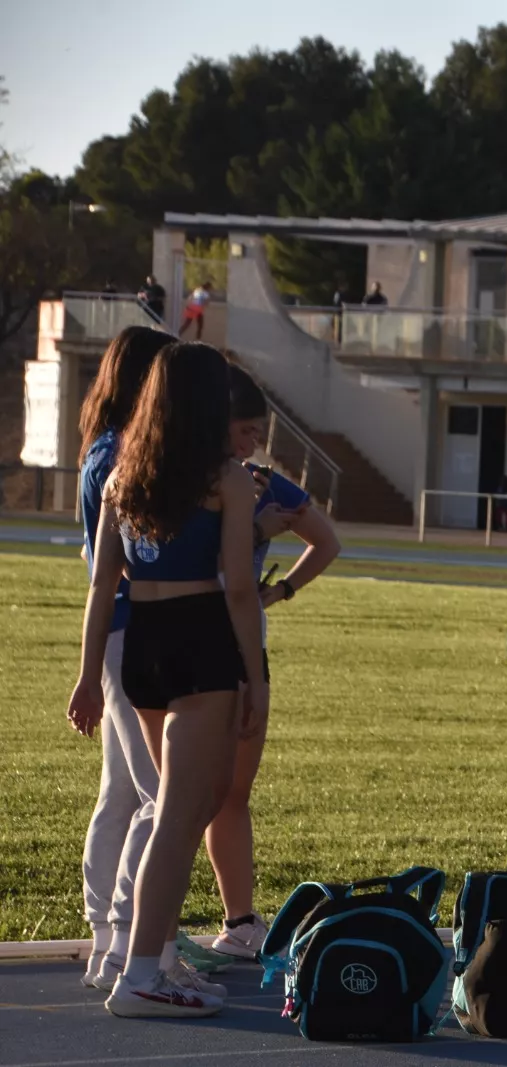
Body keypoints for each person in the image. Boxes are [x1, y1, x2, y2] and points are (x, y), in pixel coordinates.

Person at [68, 341, 265, 1018]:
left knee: (194, 800)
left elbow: (101, 585)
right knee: (180, 813)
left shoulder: (125, 475)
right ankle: (142, 970)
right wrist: (256, 674)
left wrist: (90, 674)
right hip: (200, 637)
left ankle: (152, 956)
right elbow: (239, 588)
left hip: (143, 644)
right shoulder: (227, 479)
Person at [200, 366, 342, 962]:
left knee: (233, 790)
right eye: (241, 431)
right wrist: (252, 530)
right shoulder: (187, 480)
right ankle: (142, 932)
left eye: (258, 433)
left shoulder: (261, 482)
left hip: (239, 637)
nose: (250, 445)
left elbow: (327, 541)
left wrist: (279, 591)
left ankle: (238, 919)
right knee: (178, 795)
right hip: (194, 639)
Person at [74, 325, 175, 992]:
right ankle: (130, 945)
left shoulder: (101, 450)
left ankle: (105, 938)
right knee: (156, 796)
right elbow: (114, 573)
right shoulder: (122, 459)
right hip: (129, 631)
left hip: (115, 632)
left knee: (120, 792)